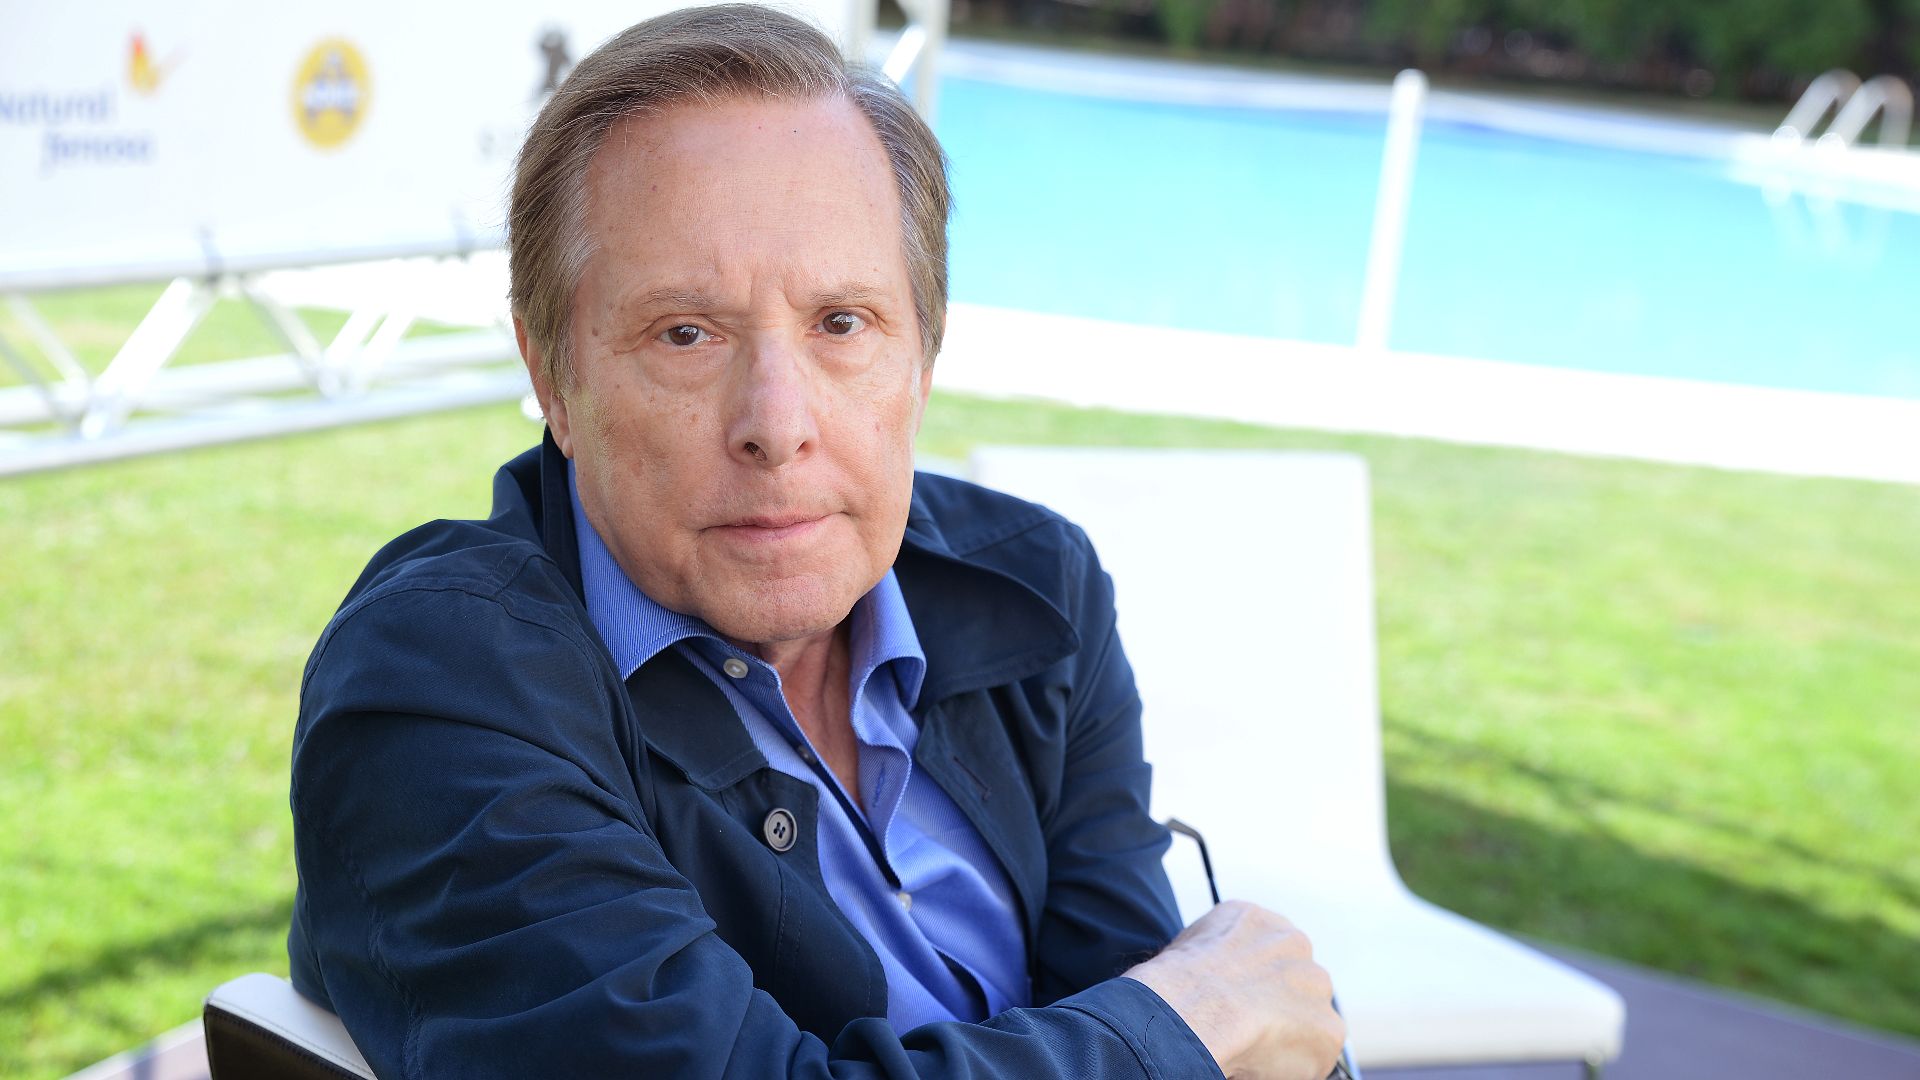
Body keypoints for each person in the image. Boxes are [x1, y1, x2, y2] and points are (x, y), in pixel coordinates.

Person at [286, 5, 1345, 1077]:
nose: (776, 424)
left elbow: (1138, 1004)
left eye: (843, 323)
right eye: (686, 333)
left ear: (922, 357)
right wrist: (1196, 1013)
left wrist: (1172, 1029)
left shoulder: (1035, 591)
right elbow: (1179, 1029)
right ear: (553, 374)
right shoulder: (439, 685)